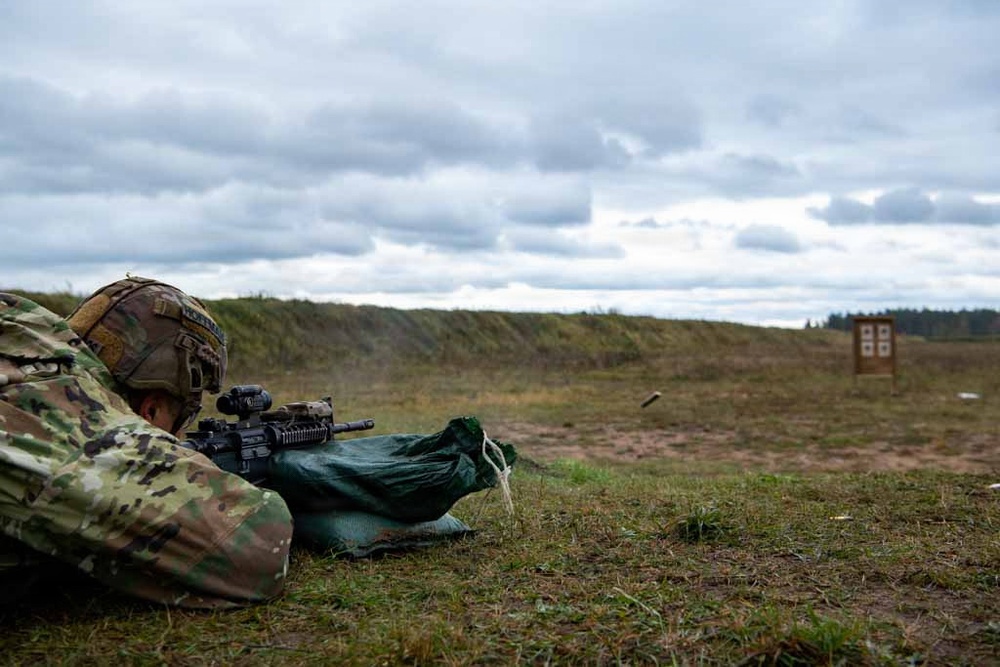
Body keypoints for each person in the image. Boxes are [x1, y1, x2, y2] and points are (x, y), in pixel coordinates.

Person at [0, 277, 293, 608]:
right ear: (151, 410)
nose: (176, 439)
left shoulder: (22, 335)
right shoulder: (80, 422)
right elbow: (256, 548)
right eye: (178, 423)